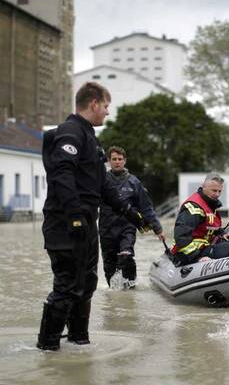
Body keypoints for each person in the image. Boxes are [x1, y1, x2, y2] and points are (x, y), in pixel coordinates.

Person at [37, 82, 147, 351]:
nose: (108, 112)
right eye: (106, 106)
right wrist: (74, 215)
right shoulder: (71, 133)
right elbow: (61, 173)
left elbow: (103, 186)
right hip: (66, 224)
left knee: (86, 283)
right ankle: (47, 348)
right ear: (94, 104)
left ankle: (78, 342)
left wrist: (130, 212)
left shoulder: (90, 138)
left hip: (86, 223)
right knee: (67, 285)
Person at [99, 146, 165, 287]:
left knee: (126, 256)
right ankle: (114, 295)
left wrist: (157, 229)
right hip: (106, 229)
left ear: (125, 161)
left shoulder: (134, 182)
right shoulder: (101, 181)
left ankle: (130, 288)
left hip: (126, 228)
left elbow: (146, 207)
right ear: (109, 161)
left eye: (120, 159)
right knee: (109, 265)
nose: (117, 162)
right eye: (114, 159)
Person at [171, 173, 229, 266]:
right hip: (189, 253)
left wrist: (222, 234)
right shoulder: (194, 207)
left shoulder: (210, 205)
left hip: (204, 247)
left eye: (219, 191)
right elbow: (181, 237)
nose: (217, 194)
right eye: (214, 191)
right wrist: (197, 257)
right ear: (204, 187)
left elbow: (209, 227)